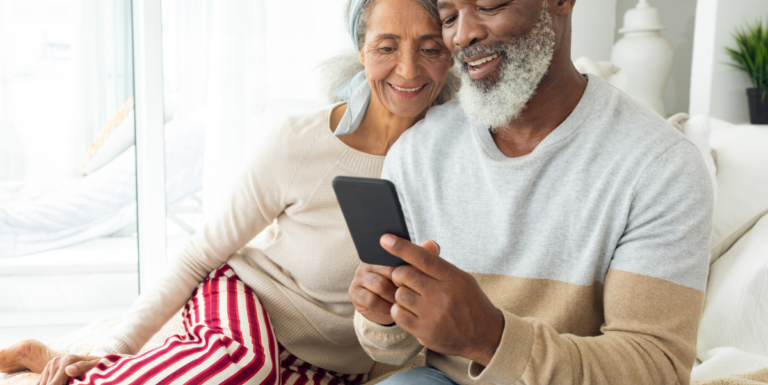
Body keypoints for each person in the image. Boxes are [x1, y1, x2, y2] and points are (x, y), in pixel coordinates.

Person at [0, 0, 458, 384]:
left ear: (451, 53)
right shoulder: (300, 143)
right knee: (247, 365)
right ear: (361, 50)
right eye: (386, 46)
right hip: (246, 301)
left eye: (430, 47)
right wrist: (113, 349)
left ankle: (53, 362)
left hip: (327, 365)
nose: (408, 68)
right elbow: (197, 255)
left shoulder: (454, 161)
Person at [349, 0, 713, 384]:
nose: (463, 34)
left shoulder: (661, 166)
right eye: (449, 17)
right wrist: (381, 313)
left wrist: (492, 339)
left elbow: (656, 369)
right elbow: (390, 350)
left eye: (489, 5)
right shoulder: (419, 151)